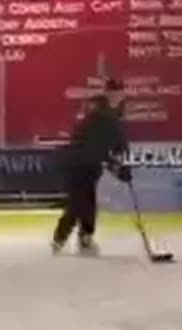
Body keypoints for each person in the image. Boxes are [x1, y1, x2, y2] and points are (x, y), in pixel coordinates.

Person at [53, 78, 131, 257]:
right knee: (79, 202)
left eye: (120, 92)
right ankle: (61, 237)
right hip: (78, 162)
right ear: (108, 93)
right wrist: (117, 163)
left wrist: (119, 162)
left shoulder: (111, 112)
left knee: (88, 201)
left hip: (90, 164)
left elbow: (114, 142)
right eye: (114, 92)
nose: (118, 96)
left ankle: (85, 236)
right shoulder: (101, 113)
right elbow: (102, 143)